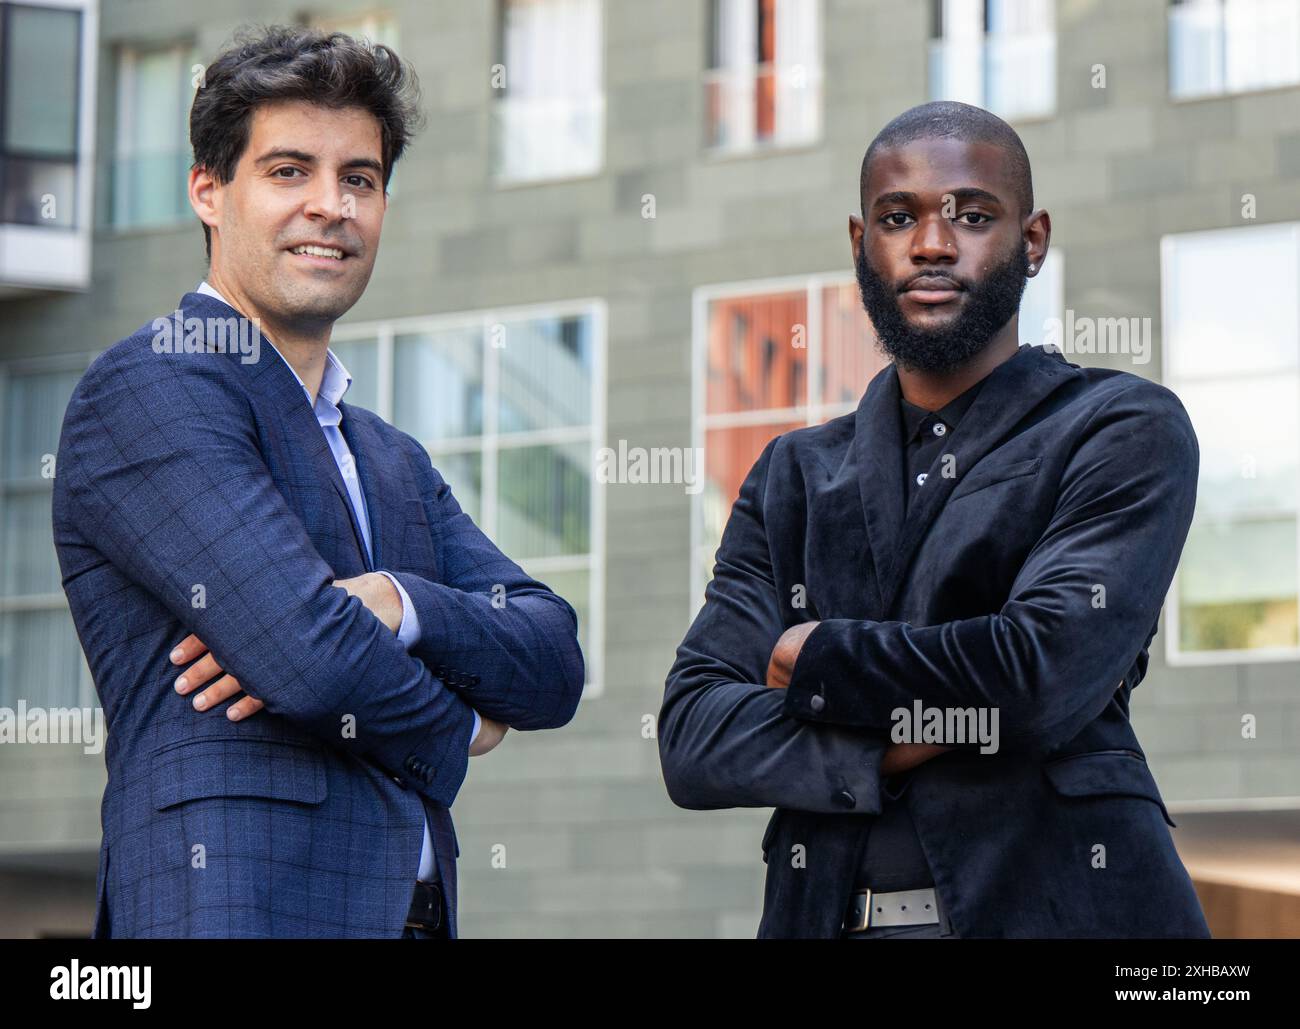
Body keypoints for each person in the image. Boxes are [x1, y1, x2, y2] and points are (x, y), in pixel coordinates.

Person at [52, 26, 584, 939]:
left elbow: (552, 658)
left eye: (360, 179)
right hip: (236, 909)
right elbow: (309, 653)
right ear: (209, 191)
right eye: (290, 171)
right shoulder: (151, 385)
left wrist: (398, 602)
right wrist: (466, 725)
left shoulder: (393, 459)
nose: (330, 206)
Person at [659, 100, 1210, 939]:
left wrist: (820, 658)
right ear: (859, 243)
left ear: (1032, 241)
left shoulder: (1119, 426)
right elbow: (695, 737)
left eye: (973, 216)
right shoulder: (794, 475)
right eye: (897, 217)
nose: (932, 244)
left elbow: (1038, 673)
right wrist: (905, 735)